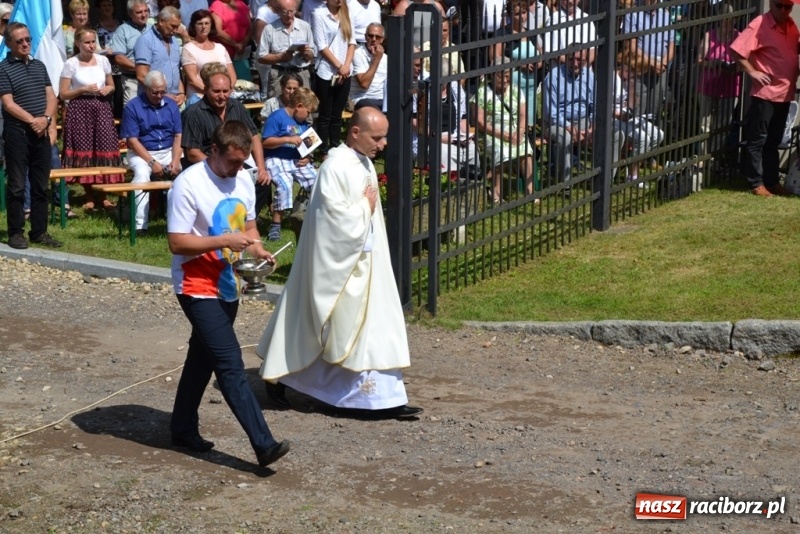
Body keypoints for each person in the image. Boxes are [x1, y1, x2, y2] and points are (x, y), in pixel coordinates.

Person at [256, 107, 423, 419]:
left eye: (384, 137)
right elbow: (332, 220)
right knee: (335, 326)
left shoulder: (363, 162)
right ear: (355, 132)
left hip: (367, 259)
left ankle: (382, 398)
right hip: (342, 264)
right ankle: (292, 380)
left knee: (368, 328)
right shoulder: (334, 167)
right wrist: (364, 207)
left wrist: (365, 213)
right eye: (377, 137)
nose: (383, 144)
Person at [167, 120, 290, 468]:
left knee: (201, 358)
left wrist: (259, 251)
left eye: (243, 162)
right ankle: (263, 444)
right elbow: (176, 242)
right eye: (233, 162)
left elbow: (248, 228)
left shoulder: (244, 179)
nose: (239, 168)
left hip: (227, 282)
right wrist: (225, 240)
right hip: (195, 284)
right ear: (214, 151)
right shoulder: (188, 184)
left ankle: (181, 427)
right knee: (230, 363)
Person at [0, 22, 62, 249]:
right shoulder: (3, 68)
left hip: (41, 132)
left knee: (40, 184)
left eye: (28, 39)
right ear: (9, 43)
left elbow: (51, 96)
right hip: (18, 133)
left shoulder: (39, 65)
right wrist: (33, 120)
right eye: (19, 41)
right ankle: (16, 232)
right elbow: (8, 103)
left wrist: (45, 119)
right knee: (16, 184)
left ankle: (39, 231)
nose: (25, 44)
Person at [181, 64, 272, 215]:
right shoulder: (193, 113)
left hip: (237, 164)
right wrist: (221, 167)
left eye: (225, 91)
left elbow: (254, 136)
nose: (222, 96)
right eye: (216, 91)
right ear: (205, 90)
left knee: (263, 183)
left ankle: (243, 219)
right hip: (206, 167)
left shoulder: (236, 106)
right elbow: (193, 153)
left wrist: (261, 169)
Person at [730, 1, 797, 197]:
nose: (784, 10)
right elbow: (736, 50)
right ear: (770, 4)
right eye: (780, 6)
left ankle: (772, 181)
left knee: (774, 140)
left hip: (785, 93)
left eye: (788, 7)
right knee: (758, 139)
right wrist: (753, 72)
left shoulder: (791, 26)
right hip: (765, 93)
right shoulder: (759, 24)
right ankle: (756, 182)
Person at [59, 28, 125, 212]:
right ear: (78, 44)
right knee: (84, 149)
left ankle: (103, 195)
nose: (91, 45)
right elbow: (63, 93)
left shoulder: (103, 61)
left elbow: (111, 84)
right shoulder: (71, 63)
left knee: (104, 146)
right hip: (79, 109)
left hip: (101, 107)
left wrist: (108, 90)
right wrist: (82, 90)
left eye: (93, 42)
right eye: (87, 42)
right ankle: (89, 196)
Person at [542, 50, 623, 190]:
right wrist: (570, 128)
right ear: (566, 59)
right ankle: (564, 184)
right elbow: (551, 112)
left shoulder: (589, 76)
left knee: (616, 134)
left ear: (585, 61)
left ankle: (605, 181)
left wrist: (593, 127)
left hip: (583, 120)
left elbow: (595, 104)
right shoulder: (553, 76)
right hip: (557, 122)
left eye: (579, 60)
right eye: (571, 59)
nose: (575, 63)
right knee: (565, 138)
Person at [120, 71, 183, 234]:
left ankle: (178, 223)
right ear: (146, 88)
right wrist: (152, 163)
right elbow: (132, 141)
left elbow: (178, 135)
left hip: (169, 149)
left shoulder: (171, 104)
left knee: (185, 174)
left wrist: (175, 160)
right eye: (155, 92)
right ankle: (140, 224)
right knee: (142, 174)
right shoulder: (133, 106)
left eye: (163, 91)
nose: (160, 95)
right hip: (142, 151)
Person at [472, 58, 536, 203]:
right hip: (490, 132)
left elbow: (523, 115)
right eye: (502, 76)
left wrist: (519, 131)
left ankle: (530, 191)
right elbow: (480, 122)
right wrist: (501, 134)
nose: (506, 80)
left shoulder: (515, 90)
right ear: (493, 75)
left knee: (526, 149)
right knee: (501, 151)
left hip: (513, 130)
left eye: (508, 76)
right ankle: (496, 192)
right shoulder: (483, 92)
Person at [261, 86, 319, 240]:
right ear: (299, 106)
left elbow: (307, 145)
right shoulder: (277, 117)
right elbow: (265, 142)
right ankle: (275, 225)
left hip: (296, 159)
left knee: (317, 181)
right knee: (284, 185)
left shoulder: (304, 122)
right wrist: (287, 139)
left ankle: (312, 217)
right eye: (308, 111)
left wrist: (308, 157)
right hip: (276, 157)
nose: (309, 115)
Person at [696, 2, 741, 172]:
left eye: (730, 20)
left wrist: (734, 67)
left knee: (722, 126)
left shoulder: (740, 37)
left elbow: (744, 61)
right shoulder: (710, 36)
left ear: (735, 20)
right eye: (724, 20)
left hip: (729, 87)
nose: (727, 23)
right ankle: (702, 158)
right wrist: (713, 63)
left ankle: (713, 159)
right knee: (704, 124)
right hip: (708, 85)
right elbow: (699, 60)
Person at [311, 0, 355, 154]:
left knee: (337, 114)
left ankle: (335, 148)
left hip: (345, 70)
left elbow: (352, 42)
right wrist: (339, 66)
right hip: (326, 71)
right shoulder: (319, 14)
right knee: (325, 114)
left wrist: (346, 66)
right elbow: (321, 45)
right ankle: (324, 150)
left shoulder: (346, 12)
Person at [622, 0, 675, 118]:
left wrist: (664, 63)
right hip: (640, 66)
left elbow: (671, 45)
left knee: (656, 107)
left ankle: (653, 134)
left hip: (661, 67)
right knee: (638, 107)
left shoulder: (665, 15)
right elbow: (631, 46)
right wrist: (651, 63)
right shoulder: (632, 14)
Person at [257, 0, 315, 98]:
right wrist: (280, 57)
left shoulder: (305, 27)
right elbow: (261, 57)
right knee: (277, 107)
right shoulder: (269, 29)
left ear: (296, 9)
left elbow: (312, 55)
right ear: (278, 11)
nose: (289, 15)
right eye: (285, 12)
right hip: (279, 74)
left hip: (301, 73)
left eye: (292, 11)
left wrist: (306, 53)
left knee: (303, 106)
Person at [181, 9, 237, 106]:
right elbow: (193, 80)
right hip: (199, 99)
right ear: (194, 26)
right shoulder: (188, 49)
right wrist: (212, 94)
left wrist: (225, 93)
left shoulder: (220, 48)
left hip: (222, 99)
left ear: (211, 25)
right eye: (200, 23)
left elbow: (232, 76)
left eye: (207, 23)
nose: (204, 27)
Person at [134, 6, 185, 108]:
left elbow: (174, 70)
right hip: (154, 102)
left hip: (175, 101)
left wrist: (181, 93)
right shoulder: (146, 40)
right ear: (161, 21)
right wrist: (163, 95)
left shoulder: (174, 40)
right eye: (173, 26)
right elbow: (142, 75)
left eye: (177, 27)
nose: (175, 31)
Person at [110, 0, 151, 105]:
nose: (144, 15)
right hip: (132, 80)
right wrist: (141, 69)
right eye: (139, 12)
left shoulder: (153, 29)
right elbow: (119, 58)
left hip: (153, 80)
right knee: (133, 112)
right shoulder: (122, 30)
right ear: (130, 13)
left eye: (146, 11)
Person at [209, 0, 254, 81]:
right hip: (223, 55)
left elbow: (250, 27)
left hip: (241, 53)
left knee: (245, 83)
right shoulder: (217, 5)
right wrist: (236, 44)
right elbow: (217, 31)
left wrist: (243, 43)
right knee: (226, 82)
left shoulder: (241, 4)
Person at [544, 0, 597, 66]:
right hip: (562, 72)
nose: (570, 1)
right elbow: (551, 51)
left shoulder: (586, 18)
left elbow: (593, 49)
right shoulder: (554, 20)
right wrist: (573, 64)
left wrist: (583, 65)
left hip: (585, 71)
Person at [350, 22, 386, 110]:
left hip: (382, 99)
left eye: (377, 37)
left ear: (382, 39)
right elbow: (364, 84)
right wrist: (376, 60)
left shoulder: (386, 58)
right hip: (361, 99)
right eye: (370, 36)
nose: (374, 39)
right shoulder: (357, 54)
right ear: (365, 37)